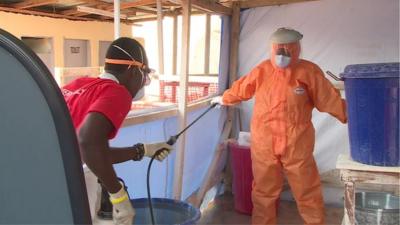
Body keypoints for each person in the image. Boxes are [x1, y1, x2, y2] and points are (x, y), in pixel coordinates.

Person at [212, 28, 347, 225]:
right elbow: (243, 88)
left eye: (288, 49)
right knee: (263, 192)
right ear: (272, 48)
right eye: (279, 49)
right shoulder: (263, 70)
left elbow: (328, 99)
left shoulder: (308, 72)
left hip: (297, 143)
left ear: (297, 48)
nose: (282, 54)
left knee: (307, 191)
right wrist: (224, 98)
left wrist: (352, 116)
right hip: (265, 142)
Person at [62, 37, 173, 225]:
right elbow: (87, 142)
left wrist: (143, 150)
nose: (143, 82)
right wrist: (119, 196)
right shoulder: (117, 92)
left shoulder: (78, 85)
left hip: (50, 172)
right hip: (72, 180)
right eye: (144, 74)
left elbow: (92, 152)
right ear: (133, 70)